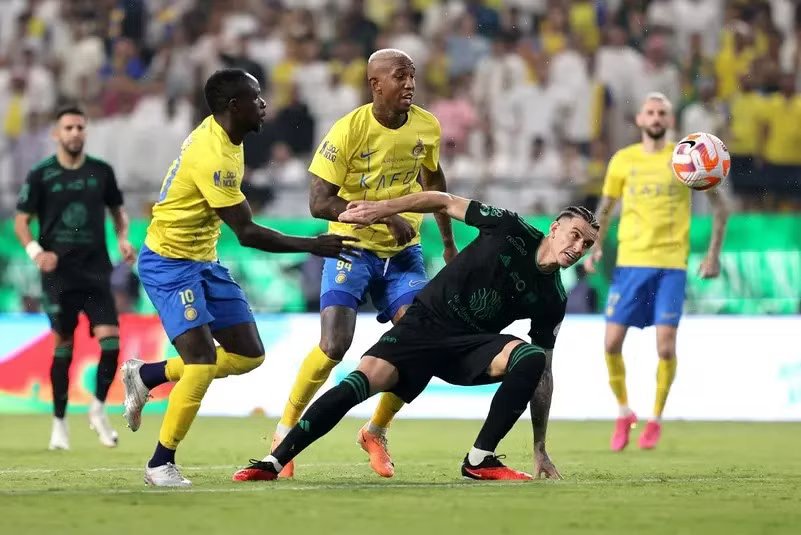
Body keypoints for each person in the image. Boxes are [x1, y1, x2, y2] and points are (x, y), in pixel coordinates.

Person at [231, 192, 599, 482]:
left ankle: (479, 459)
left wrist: (539, 446)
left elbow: (544, 374)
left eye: (587, 245)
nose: (578, 247)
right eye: (575, 235)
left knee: (532, 358)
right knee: (357, 384)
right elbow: (442, 200)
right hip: (424, 325)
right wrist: (383, 209)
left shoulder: (553, 297)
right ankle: (274, 461)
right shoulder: (510, 227)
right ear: (554, 228)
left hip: (469, 349)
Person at [118, 69, 358, 487]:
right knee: (201, 364)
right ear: (234, 106)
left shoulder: (229, 137)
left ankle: (148, 375)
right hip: (170, 263)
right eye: (256, 97)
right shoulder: (213, 155)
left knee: (248, 355)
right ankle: (160, 463)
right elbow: (247, 233)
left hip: (202, 259)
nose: (264, 104)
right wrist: (312, 244)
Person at [251, 48, 456, 480]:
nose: (410, 84)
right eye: (400, 76)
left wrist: (449, 243)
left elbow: (435, 183)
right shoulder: (348, 131)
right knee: (334, 345)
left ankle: (375, 430)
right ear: (375, 83)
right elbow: (318, 202)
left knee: (421, 342)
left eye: (412, 75)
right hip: (351, 247)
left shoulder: (427, 126)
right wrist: (384, 215)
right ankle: (284, 430)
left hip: (403, 252)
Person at [584, 92, 729, 451]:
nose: (656, 117)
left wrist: (713, 255)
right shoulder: (623, 160)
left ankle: (655, 419)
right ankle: (623, 412)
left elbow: (721, 209)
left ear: (670, 120)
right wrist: (595, 245)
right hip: (630, 262)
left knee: (665, 348)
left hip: (670, 265)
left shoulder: (686, 160)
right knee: (611, 343)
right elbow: (605, 208)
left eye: (662, 112)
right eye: (649, 112)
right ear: (639, 119)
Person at [14, 104, 135, 451]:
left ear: (86, 132)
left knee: (111, 343)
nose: (75, 133)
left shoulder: (101, 171)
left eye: (80, 127)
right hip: (58, 274)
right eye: (68, 128)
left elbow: (118, 211)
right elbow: (21, 221)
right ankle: (59, 423)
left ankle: (97, 408)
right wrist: (36, 252)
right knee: (63, 346)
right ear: (56, 134)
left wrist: (123, 238)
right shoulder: (42, 174)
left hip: (96, 271)